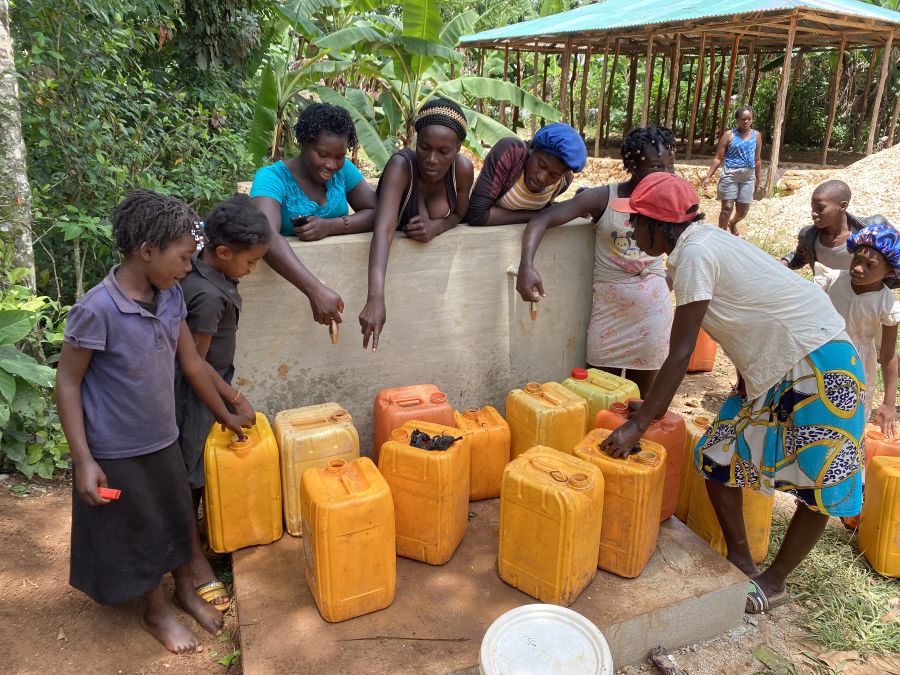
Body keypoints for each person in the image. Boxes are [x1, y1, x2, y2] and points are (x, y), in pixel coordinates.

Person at [600, 173, 864, 615]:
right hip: (774, 362)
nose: (629, 230)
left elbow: (681, 350)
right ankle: (742, 562)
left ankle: (775, 582)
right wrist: (655, 406)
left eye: (636, 221)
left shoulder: (698, 252)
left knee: (822, 480)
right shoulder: (691, 248)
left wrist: (640, 425)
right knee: (718, 456)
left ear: (662, 225)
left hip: (819, 357)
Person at [56, 191, 255, 653]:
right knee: (139, 528)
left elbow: (192, 364)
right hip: (117, 448)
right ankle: (156, 611)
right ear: (148, 251)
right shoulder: (96, 310)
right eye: (184, 258)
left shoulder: (169, 299)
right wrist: (83, 459)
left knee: (174, 517)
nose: (189, 268)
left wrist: (224, 412)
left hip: (164, 437)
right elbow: (68, 384)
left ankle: (184, 588)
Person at [516, 125, 676, 395]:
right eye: (655, 166)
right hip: (609, 316)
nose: (665, 175)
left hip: (652, 315)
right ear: (633, 165)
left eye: (669, 166)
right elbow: (542, 219)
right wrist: (527, 265)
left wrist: (664, 281)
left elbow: (687, 247)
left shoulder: (671, 201)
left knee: (642, 398)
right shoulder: (603, 197)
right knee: (599, 394)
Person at [175, 194, 271, 612]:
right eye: (250, 263)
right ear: (223, 251)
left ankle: (195, 538)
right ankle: (192, 560)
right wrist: (233, 400)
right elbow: (193, 361)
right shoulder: (208, 296)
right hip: (197, 395)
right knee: (189, 474)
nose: (251, 271)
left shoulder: (206, 270)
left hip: (208, 387)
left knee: (197, 468)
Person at [358, 97, 474, 350]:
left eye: (444, 152)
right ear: (415, 141)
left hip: (435, 299)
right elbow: (384, 230)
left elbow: (459, 215)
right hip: (403, 288)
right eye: (425, 147)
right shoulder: (402, 166)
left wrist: (436, 228)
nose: (432, 159)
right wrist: (375, 297)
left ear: (458, 149)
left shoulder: (462, 170)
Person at [251, 103, 377, 327]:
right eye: (323, 154)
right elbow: (265, 234)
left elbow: (377, 213)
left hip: (341, 285)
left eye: (339, 156)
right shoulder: (272, 178)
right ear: (304, 143)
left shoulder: (344, 171)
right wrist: (315, 290)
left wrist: (332, 226)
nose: (332, 165)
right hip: (280, 302)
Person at [814, 221, 900, 436]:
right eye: (857, 260)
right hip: (821, 355)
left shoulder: (886, 303)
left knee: (849, 425)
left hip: (857, 366)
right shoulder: (832, 280)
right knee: (813, 412)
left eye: (870, 265)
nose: (859, 268)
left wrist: (889, 403)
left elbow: (888, 354)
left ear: (889, 270)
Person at [466, 122, 586, 226]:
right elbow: (477, 214)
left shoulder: (564, 180)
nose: (542, 178)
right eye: (541, 165)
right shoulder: (510, 154)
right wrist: (542, 214)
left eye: (553, 175)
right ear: (533, 149)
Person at [781, 180, 896, 287]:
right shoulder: (808, 236)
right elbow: (799, 257)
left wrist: (880, 289)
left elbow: (895, 258)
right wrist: (780, 263)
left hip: (863, 301)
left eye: (820, 208)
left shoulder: (873, 230)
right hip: (829, 299)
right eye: (812, 208)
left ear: (843, 206)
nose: (813, 213)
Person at [701, 106, 762, 235]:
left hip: (747, 177)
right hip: (730, 174)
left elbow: (757, 159)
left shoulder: (756, 135)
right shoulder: (729, 135)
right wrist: (708, 176)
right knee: (727, 208)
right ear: (737, 120)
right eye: (742, 119)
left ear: (752, 119)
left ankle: (732, 223)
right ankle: (721, 236)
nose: (746, 121)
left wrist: (758, 179)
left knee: (743, 211)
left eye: (748, 119)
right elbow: (718, 157)